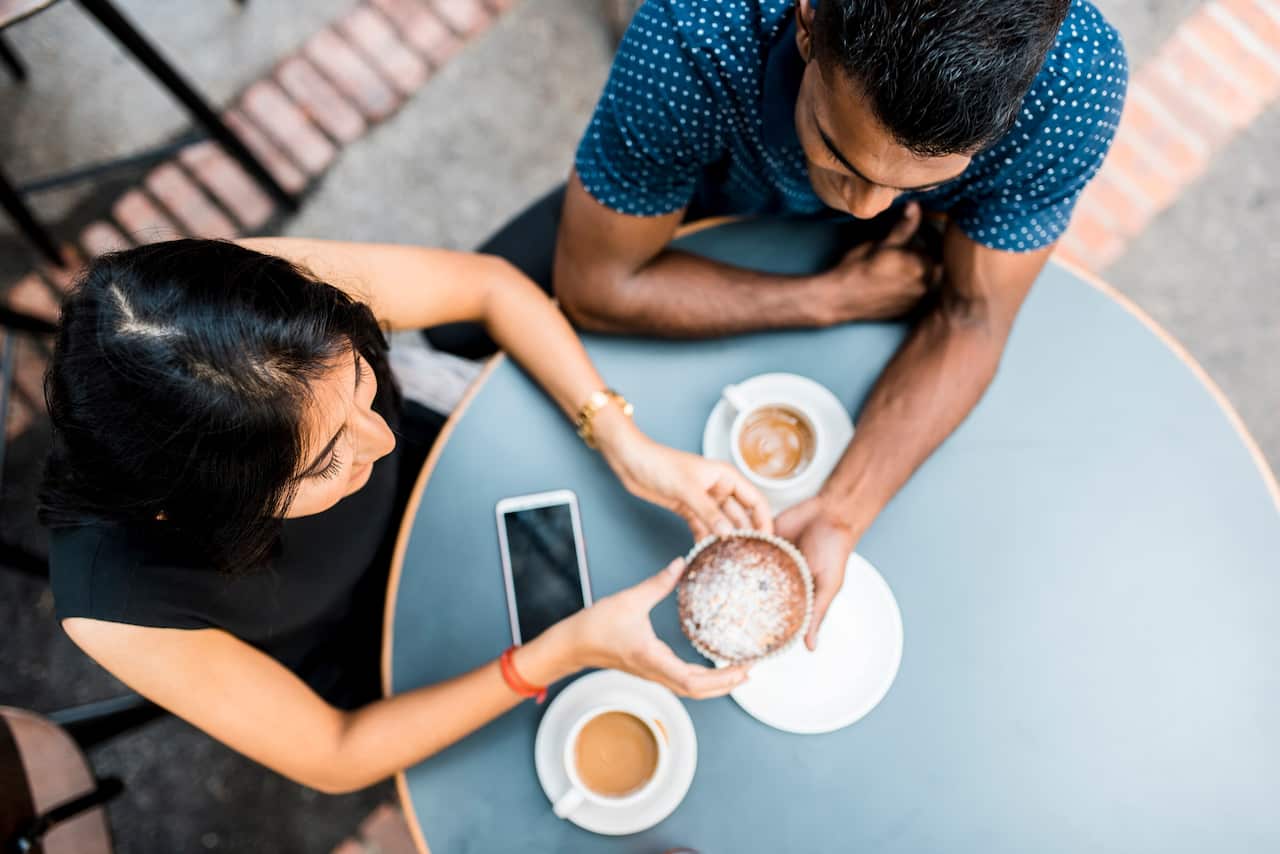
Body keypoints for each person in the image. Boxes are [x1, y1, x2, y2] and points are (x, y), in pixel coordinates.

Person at [41, 238, 770, 794]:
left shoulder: (249, 308)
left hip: (454, 462)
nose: (380, 437)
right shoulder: (115, 600)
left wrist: (622, 439)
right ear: (208, 510)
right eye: (326, 460)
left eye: (359, 376)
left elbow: (488, 288)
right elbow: (337, 754)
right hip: (375, 653)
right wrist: (556, 655)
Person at [545, 0, 1127, 649]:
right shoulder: (693, 29)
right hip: (693, 215)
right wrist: (829, 299)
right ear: (808, 20)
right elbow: (595, 286)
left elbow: (972, 317)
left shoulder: (1073, 84)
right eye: (839, 153)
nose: (864, 206)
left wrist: (843, 511)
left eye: (919, 182)